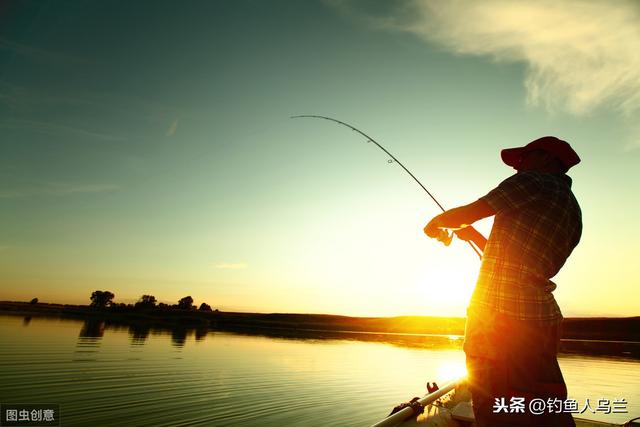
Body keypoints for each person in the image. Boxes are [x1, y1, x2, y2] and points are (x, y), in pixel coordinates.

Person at [424, 136, 582, 427]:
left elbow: (471, 211)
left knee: (493, 402)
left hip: (500, 317)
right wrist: (472, 235)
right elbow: (520, 261)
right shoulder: (572, 209)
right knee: (545, 401)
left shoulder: (532, 182)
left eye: (524, 159)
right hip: (542, 319)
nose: (518, 167)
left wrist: (436, 222)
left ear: (546, 159)